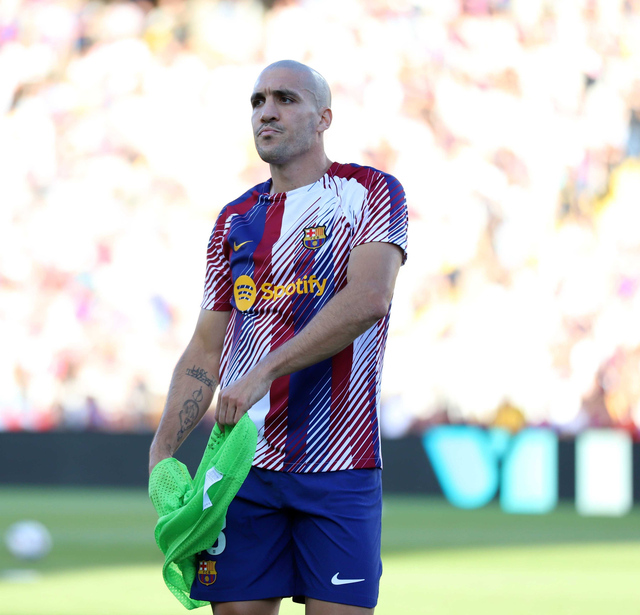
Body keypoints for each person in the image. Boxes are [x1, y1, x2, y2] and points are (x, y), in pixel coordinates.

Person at [149, 59, 408, 615]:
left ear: (324, 118)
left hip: (340, 463)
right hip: (243, 466)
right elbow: (205, 348)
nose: (267, 111)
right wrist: (162, 448)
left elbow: (370, 299)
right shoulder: (235, 219)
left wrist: (263, 371)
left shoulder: (369, 192)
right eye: (258, 101)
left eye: (286, 99)